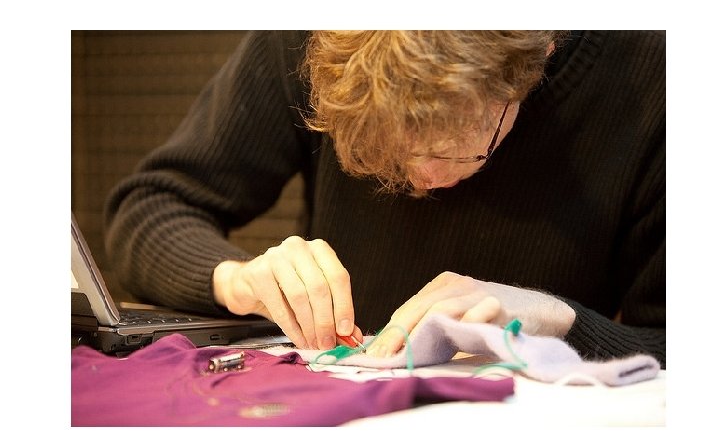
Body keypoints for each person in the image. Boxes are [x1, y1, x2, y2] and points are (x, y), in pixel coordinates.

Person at [104, 30, 666, 366]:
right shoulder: (305, 31)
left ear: (539, 52)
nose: (422, 179)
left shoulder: (656, 77)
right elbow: (150, 210)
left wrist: (559, 321)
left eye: (454, 148)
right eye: (387, 157)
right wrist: (240, 281)